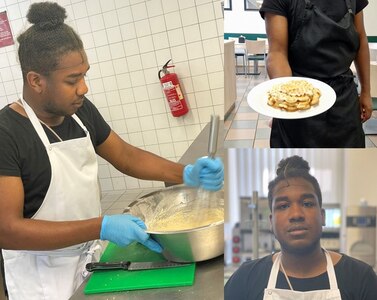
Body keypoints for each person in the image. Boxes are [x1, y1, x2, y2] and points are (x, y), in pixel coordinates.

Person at [0, 2, 224, 300]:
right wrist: (101, 226)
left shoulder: (79, 113)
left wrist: (185, 173)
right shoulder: (8, 133)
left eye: (84, 75)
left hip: (90, 263)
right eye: (72, 80)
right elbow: (8, 231)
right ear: (36, 80)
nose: (84, 88)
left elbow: (127, 157)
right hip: (41, 279)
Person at [225, 156, 377, 300]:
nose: (296, 214)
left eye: (307, 204)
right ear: (271, 221)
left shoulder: (361, 278)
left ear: (322, 216)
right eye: (283, 206)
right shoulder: (245, 279)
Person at [259, 0, 372, 147]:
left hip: (344, 98)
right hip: (300, 98)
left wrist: (366, 91)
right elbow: (277, 53)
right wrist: (287, 100)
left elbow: (361, 38)